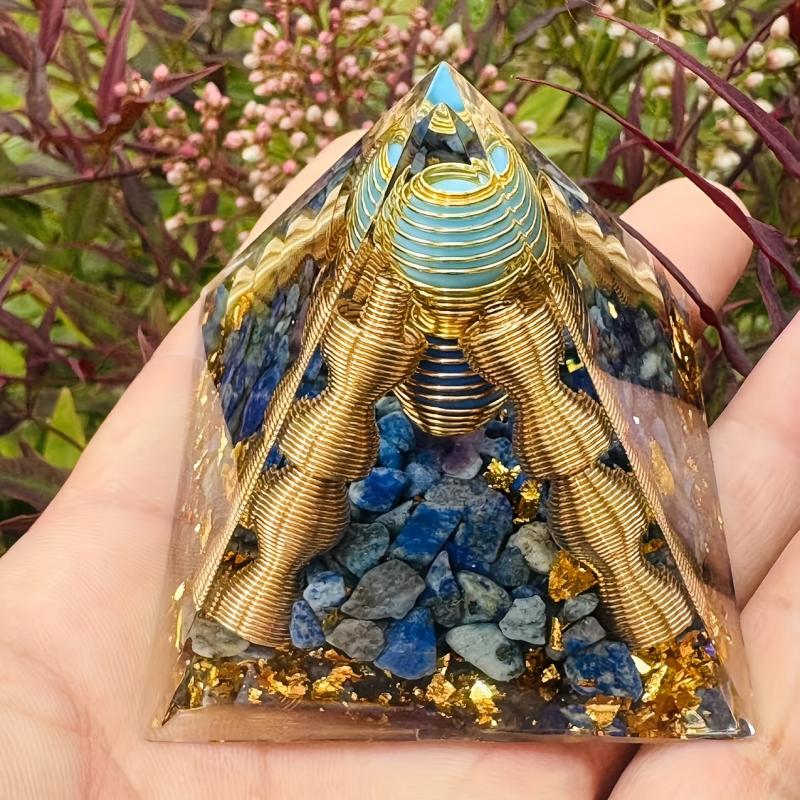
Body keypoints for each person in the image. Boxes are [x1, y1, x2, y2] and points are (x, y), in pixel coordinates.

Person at [0, 132, 792, 799]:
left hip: (461, 346)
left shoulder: (466, 272)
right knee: (377, 423)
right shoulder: (433, 273)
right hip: (439, 345)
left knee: (406, 424)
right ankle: (648, 615)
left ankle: (260, 603)